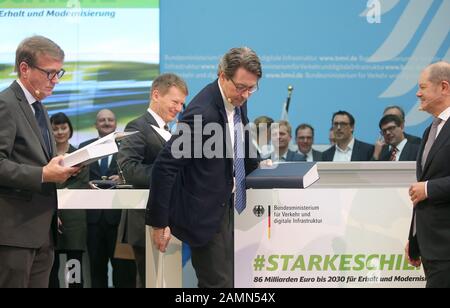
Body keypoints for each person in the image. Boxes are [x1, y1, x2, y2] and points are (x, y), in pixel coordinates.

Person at [146, 47, 261, 288]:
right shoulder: (202, 113)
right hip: (204, 213)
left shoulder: (237, 98)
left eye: (252, 88)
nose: (246, 95)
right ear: (222, 76)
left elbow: (240, 134)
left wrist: (258, 164)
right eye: (241, 87)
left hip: (226, 205)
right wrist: (158, 222)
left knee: (229, 282)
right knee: (218, 284)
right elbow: (164, 167)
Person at [0, 36, 79, 288]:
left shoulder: (40, 108)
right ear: (24, 69)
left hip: (43, 229)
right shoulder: (6, 104)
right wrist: (44, 174)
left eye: (59, 73)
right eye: (50, 73)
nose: (55, 80)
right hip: (15, 233)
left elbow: (37, 160)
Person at [117, 73, 188, 288]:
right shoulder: (137, 126)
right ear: (156, 95)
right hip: (145, 219)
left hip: (172, 219)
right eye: (175, 102)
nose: (178, 108)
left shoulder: (171, 132)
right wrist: (170, 177)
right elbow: (128, 169)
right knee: (149, 281)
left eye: (182, 104)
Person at [79, 109, 136, 288]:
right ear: (96, 125)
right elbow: (77, 177)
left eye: (110, 120)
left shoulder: (127, 147)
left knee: (123, 271)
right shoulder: (85, 147)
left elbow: (136, 173)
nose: (106, 123)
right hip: (93, 221)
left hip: (118, 221)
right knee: (96, 271)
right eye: (102, 120)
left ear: (115, 123)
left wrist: (123, 178)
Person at [406, 61, 450, 288]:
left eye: (422, 87)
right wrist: (414, 238)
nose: (417, 93)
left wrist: (429, 189)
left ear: (444, 87)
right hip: (431, 246)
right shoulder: (429, 130)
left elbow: (425, 188)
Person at [48, 112, 89, 288]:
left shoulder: (80, 155)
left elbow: (81, 184)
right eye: (55, 128)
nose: (59, 132)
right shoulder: (45, 155)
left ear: (70, 130)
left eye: (63, 127)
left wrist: (57, 186)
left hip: (74, 219)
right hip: (49, 217)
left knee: (74, 268)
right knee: (50, 269)